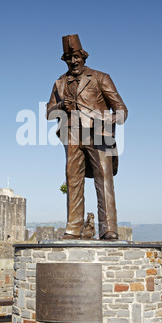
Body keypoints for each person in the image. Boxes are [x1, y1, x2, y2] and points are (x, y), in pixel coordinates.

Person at [46, 34, 128, 240]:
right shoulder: (59, 83)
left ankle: (109, 229)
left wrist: (113, 118)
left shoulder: (101, 77)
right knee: (73, 181)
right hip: (71, 135)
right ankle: (73, 229)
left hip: (98, 135)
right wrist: (59, 106)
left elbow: (120, 107)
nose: (73, 61)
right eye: (68, 58)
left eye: (76, 57)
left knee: (104, 181)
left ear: (83, 56)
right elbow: (48, 113)